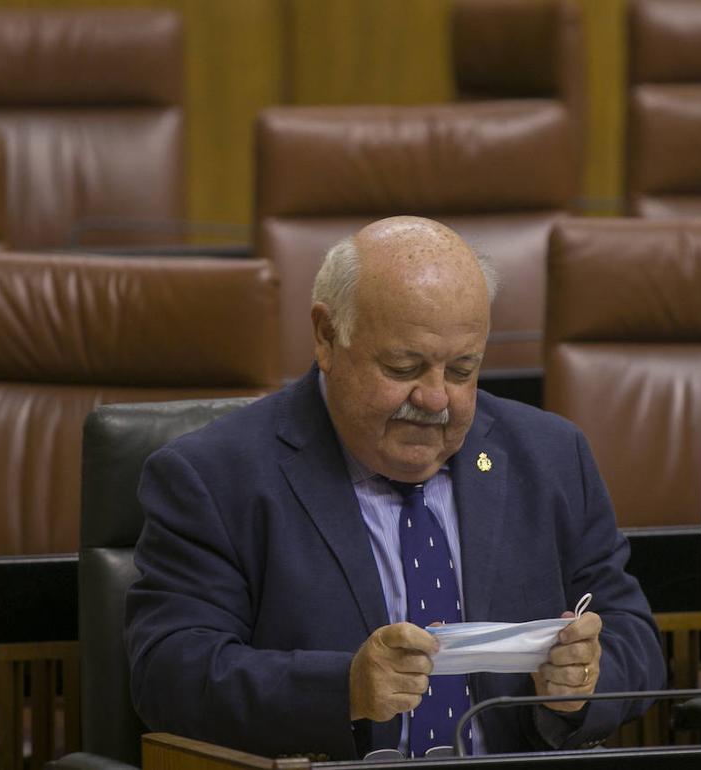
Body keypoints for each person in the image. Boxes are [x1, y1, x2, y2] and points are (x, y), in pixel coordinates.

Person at [125, 216, 664, 759]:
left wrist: (583, 681)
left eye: (462, 370)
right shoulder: (214, 477)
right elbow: (169, 674)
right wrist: (343, 689)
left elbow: (634, 638)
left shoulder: (550, 456)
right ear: (327, 336)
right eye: (404, 366)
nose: (435, 398)